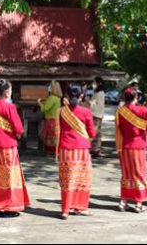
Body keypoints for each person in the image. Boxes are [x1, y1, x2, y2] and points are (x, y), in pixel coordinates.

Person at [0, 79, 28, 218]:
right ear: (7, 92)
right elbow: (19, 128)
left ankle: (1, 205)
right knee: (10, 177)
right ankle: (5, 207)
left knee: (1, 176)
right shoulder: (10, 107)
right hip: (8, 146)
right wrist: (18, 134)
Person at [57, 86, 96, 218]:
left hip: (65, 150)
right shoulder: (86, 112)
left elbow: (58, 130)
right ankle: (80, 207)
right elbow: (92, 133)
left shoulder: (61, 111)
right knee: (82, 179)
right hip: (81, 150)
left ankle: (65, 210)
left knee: (67, 180)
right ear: (81, 96)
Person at [38, 81, 62, 156]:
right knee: (54, 137)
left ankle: (50, 152)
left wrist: (39, 103)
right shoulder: (58, 98)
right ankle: (55, 152)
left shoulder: (52, 98)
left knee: (48, 137)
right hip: (56, 119)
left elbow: (45, 108)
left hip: (50, 119)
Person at [87, 77, 106, 158]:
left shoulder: (100, 93)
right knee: (97, 133)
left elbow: (97, 105)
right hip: (97, 114)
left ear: (98, 83)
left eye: (94, 82)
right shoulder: (97, 92)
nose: (93, 84)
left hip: (96, 114)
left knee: (94, 132)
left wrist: (89, 101)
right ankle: (95, 149)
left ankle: (94, 149)